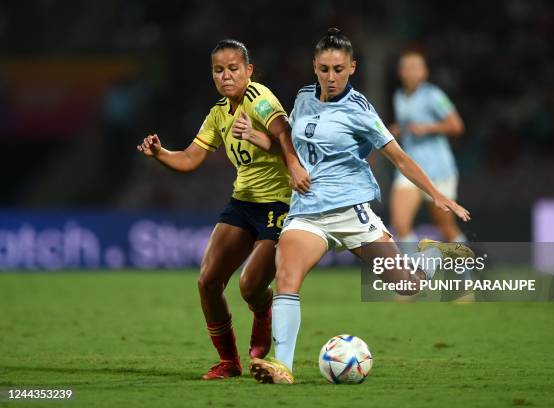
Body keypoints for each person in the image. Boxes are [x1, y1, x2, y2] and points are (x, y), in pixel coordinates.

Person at [247, 28, 473, 384]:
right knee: (287, 278)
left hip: (351, 213)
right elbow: (291, 143)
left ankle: (433, 258)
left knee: (407, 286)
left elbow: (399, 157)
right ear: (314, 67)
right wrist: (269, 145)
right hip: (307, 211)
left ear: (352, 67)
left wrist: (437, 195)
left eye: (338, 69)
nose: (331, 77)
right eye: (324, 69)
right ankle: (283, 366)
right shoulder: (304, 98)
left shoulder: (360, 110)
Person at [136, 39, 309, 380]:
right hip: (243, 202)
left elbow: (288, 136)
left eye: (233, 68)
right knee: (208, 281)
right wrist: (160, 154)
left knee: (249, 286)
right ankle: (229, 362)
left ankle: (263, 310)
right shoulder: (219, 113)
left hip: (279, 205)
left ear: (248, 70)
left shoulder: (259, 100)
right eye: (219, 70)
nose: (226, 76)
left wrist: (288, 162)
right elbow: (189, 159)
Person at [389, 51, 466, 244]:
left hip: (438, 169)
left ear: (424, 72)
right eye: (407, 68)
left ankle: (466, 272)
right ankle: (416, 272)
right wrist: (398, 130)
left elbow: (457, 125)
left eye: (416, 68)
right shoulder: (399, 96)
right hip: (410, 168)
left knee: (446, 227)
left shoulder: (433, 95)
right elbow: (408, 126)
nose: (412, 73)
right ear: (400, 72)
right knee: (400, 224)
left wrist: (428, 127)